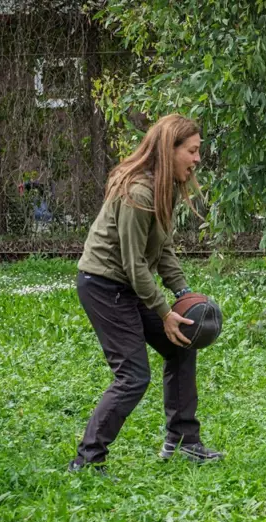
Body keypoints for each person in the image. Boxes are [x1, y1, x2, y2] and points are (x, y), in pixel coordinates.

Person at [68, 114, 223, 474]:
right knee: (133, 376)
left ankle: (183, 443)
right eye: (192, 150)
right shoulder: (138, 192)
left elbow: (162, 249)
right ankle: (87, 460)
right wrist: (164, 311)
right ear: (170, 149)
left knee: (181, 343)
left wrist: (183, 293)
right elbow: (133, 262)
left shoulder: (165, 187)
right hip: (104, 286)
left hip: (129, 284)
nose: (198, 158)